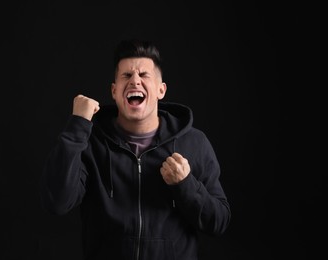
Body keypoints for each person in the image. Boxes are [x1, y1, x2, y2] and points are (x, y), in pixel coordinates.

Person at [40, 39, 231, 260]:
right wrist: (77, 125)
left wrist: (185, 185)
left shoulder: (194, 143)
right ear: (114, 91)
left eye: (144, 75)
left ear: (161, 90)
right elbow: (56, 202)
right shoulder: (90, 142)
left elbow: (219, 222)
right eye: (126, 76)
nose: (135, 81)